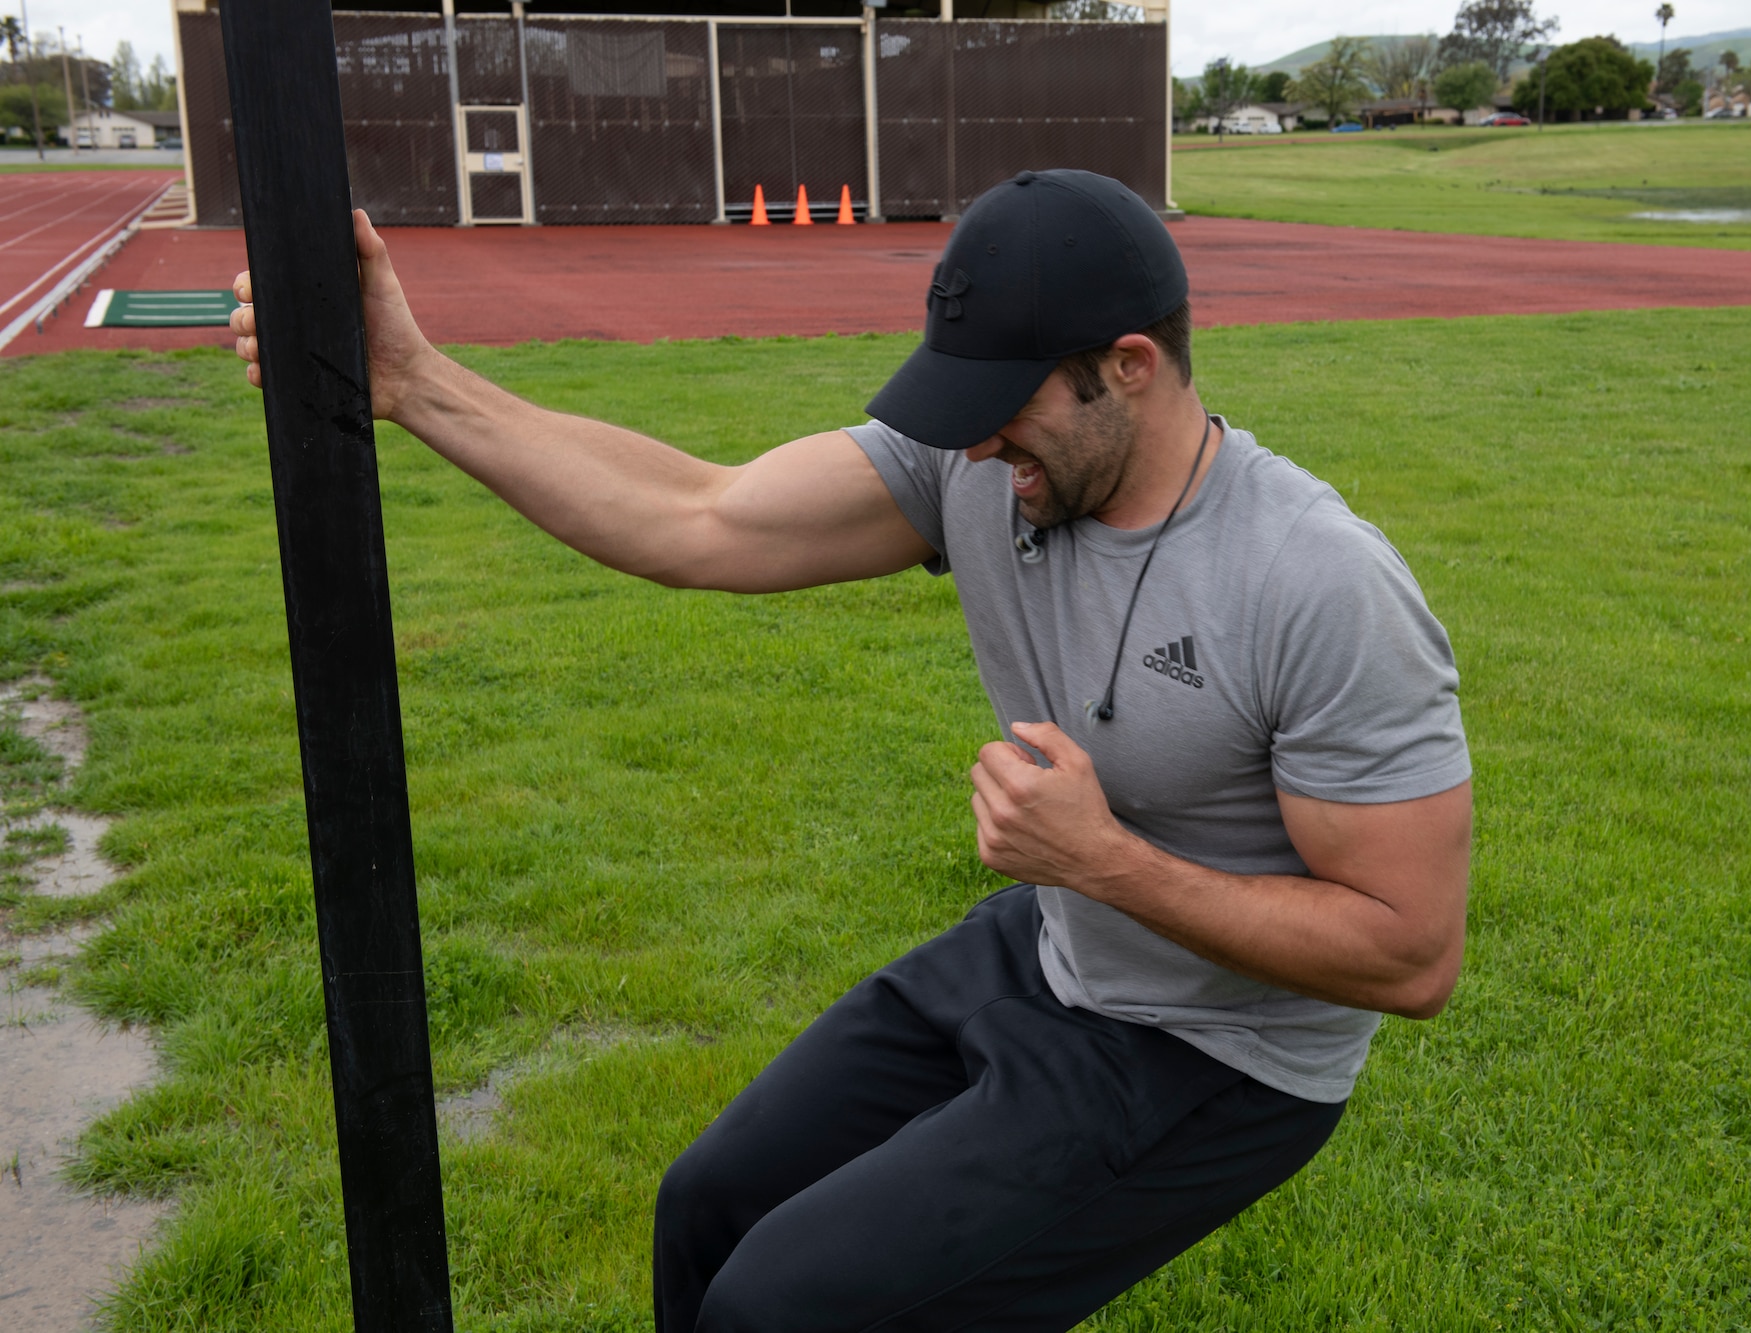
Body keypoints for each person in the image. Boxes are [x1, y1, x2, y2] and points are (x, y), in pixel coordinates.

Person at [230, 169, 1472, 1332]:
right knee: (706, 1209)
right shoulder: (981, 468)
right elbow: (695, 517)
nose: (978, 446)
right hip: (1057, 942)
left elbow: (1410, 953)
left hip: (1221, 1047)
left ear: (1128, 367)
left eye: (1006, 408)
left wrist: (1108, 864)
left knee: (785, 1307)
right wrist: (412, 380)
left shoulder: (1312, 580)